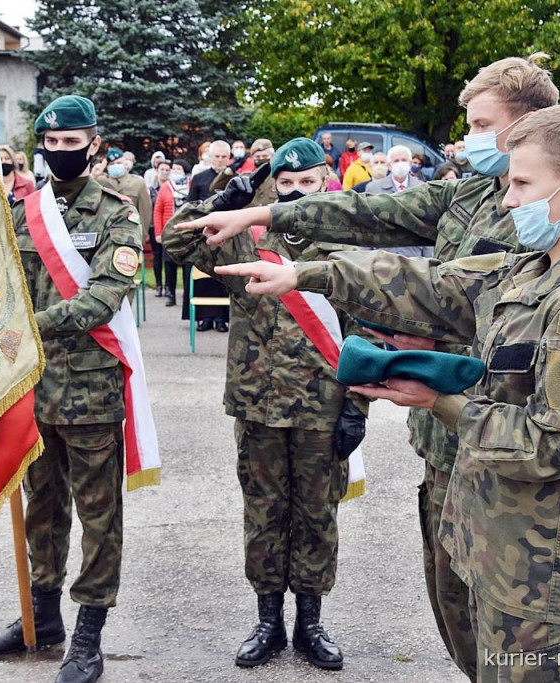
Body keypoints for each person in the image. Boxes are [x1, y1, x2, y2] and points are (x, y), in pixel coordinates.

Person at [215, 103, 560, 683]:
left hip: (542, 567)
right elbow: (437, 284)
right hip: (506, 544)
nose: (507, 199)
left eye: (522, 183)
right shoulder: (534, 270)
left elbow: (556, 446)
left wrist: (438, 401)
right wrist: (307, 275)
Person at [172, 53, 559, 681]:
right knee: (456, 607)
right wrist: (263, 213)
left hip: (503, 437)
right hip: (446, 435)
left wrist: (307, 274)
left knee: (512, 625)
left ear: (531, 126)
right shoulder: (470, 192)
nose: (467, 139)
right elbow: (366, 213)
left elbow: (440, 288)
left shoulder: (542, 212)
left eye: (482, 124)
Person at [165, 138, 367, 672]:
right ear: (273, 183)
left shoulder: (348, 236)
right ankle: (268, 621)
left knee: (317, 515)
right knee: (264, 514)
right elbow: (174, 241)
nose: (297, 190)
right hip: (259, 403)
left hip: (324, 406)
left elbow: (365, 330)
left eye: (308, 182)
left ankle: (311, 622)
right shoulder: (245, 236)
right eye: (287, 182)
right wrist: (221, 197)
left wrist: (358, 408)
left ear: (326, 180)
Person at [0, 95, 145, 683]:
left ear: (94, 146)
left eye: (71, 144)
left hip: (90, 388)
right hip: (31, 386)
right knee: (40, 506)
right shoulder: (22, 208)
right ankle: (43, 615)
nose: (60, 153)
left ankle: (89, 635)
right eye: (50, 144)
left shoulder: (118, 214)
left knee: (98, 513)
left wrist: (27, 327)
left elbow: (104, 298)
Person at [186, 141, 232, 332]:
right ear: (210, 156)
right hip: (204, 234)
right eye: (217, 156)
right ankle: (206, 317)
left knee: (223, 277)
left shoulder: (234, 178)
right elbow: (190, 205)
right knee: (205, 276)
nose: (220, 160)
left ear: (229, 158)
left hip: (228, 234)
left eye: (223, 157)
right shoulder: (199, 178)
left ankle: (222, 318)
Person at [364, 145, 432, 257]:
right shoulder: (374, 188)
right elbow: (367, 223)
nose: (400, 163)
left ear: (410, 163)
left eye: (404, 160)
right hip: (383, 254)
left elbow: (427, 225)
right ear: (389, 165)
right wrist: (365, 256)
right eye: (396, 160)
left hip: (413, 254)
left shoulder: (422, 188)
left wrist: (429, 259)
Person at [99, 148, 152, 235]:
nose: (115, 166)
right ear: (107, 166)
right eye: (112, 164)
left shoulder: (138, 183)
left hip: (130, 232)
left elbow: (144, 212)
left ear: (125, 165)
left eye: (119, 163)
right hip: (105, 232)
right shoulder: (100, 181)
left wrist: (142, 235)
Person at [148, 158, 173, 298]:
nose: (164, 172)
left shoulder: (173, 188)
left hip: (167, 227)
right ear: (156, 172)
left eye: (167, 170)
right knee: (157, 256)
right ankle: (159, 285)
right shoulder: (151, 189)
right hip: (154, 226)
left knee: (168, 258)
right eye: (162, 170)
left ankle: (169, 286)